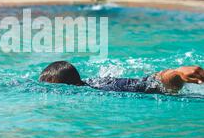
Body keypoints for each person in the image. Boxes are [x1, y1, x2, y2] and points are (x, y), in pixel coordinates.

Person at [39, 61, 204, 94]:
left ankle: (178, 73)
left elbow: (151, 84)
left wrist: (176, 74)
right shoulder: (89, 82)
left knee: (149, 85)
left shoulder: (104, 88)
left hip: (145, 84)